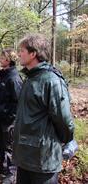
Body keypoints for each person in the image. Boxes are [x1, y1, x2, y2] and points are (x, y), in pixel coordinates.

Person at [13, 34, 75, 184]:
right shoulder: (30, 79)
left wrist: (67, 140)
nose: (18, 54)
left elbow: (63, 119)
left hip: (43, 159)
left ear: (33, 53)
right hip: (24, 156)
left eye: (21, 50)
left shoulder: (52, 80)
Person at [0, 49, 22, 183]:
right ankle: (2, 167)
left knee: (9, 147)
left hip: (9, 121)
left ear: (8, 60)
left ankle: (11, 174)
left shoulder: (14, 78)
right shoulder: (4, 76)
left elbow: (17, 103)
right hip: (0, 119)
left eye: (1, 58)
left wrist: (8, 116)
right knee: (1, 145)